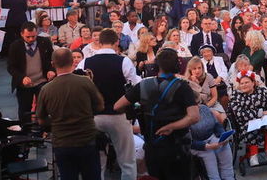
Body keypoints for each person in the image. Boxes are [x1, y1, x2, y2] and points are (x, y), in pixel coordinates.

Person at [114, 48, 200, 179]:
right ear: (177, 66)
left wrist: (136, 112)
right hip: (177, 148)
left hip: (152, 146)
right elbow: (194, 116)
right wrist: (172, 126)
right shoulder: (182, 86)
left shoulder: (143, 85)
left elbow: (117, 106)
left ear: (156, 65)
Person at [76, 28, 142, 180]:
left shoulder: (86, 62)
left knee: (97, 160)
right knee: (127, 161)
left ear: (99, 42)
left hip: (94, 117)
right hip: (118, 115)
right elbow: (135, 84)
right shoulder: (123, 61)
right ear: (116, 42)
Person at [35, 48, 104, 180]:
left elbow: (41, 119)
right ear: (72, 61)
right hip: (86, 140)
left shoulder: (46, 89)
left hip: (62, 142)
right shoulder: (85, 82)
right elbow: (100, 106)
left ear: (52, 63)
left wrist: (54, 121)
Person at [229, 70, 267, 166]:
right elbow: (239, 114)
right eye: (242, 83)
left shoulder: (263, 91)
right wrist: (259, 113)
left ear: (253, 82)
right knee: (252, 127)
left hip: (265, 120)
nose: (244, 85)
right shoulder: (235, 96)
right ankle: (253, 155)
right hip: (246, 122)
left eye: (247, 82)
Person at [7, 21, 55, 123]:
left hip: (42, 81)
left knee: (45, 108)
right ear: (21, 34)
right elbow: (11, 67)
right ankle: (25, 131)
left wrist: (51, 70)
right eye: (27, 37)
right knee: (24, 110)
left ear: (37, 33)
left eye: (33, 36)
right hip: (24, 83)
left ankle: (44, 130)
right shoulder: (15, 46)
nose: (31, 39)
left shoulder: (45, 42)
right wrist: (21, 77)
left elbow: (53, 60)